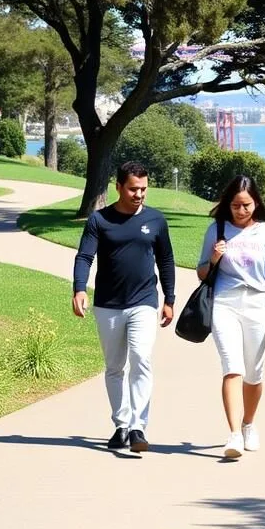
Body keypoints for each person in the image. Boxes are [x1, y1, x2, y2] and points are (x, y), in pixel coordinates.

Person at [72, 162, 176, 453]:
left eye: (143, 188)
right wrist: (79, 288)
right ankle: (121, 424)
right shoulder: (99, 220)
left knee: (141, 358)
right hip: (108, 305)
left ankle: (138, 427)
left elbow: (166, 260)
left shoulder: (156, 220)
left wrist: (169, 298)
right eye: (133, 188)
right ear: (118, 187)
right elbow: (84, 257)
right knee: (114, 367)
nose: (139, 194)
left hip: (144, 302)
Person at [196, 175, 265, 459]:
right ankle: (234, 433)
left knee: (254, 372)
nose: (241, 210)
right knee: (232, 367)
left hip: (257, 305)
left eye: (246, 205)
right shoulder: (217, 230)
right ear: (228, 205)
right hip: (225, 302)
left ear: (256, 203)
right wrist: (213, 259)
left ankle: (249, 423)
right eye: (236, 205)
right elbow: (201, 273)